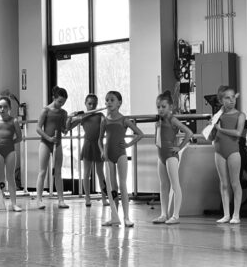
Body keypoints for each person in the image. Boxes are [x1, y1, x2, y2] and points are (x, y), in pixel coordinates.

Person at [98, 91, 143, 227]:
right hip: (108, 156)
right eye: (107, 100)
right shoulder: (104, 120)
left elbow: (140, 134)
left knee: (123, 185)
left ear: (119, 103)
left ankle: (127, 217)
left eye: (112, 100)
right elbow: (99, 139)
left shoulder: (124, 120)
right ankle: (114, 217)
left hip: (121, 154)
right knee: (112, 187)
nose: (109, 102)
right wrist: (101, 151)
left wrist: (128, 144)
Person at [151, 90, 193, 225]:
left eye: (163, 106)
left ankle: (175, 215)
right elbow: (156, 141)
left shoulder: (172, 119)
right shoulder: (158, 121)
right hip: (161, 156)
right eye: (158, 107)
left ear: (170, 107)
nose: (160, 109)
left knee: (175, 185)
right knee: (163, 186)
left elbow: (189, 133)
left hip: (171, 156)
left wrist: (179, 148)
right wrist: (156, 128)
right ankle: (164, 214)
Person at [66, 94, 109, 206]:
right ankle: (87, 198)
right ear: (85, 104)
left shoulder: (101, 115)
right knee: (86, 173)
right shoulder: (83, 116)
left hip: (99, 145)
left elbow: (108, 124)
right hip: (88, 146)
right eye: (89, 103)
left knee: (100, 173)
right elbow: (68, 128)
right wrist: (71, 116)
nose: (92, 105)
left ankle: (104, 199)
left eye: (94, 104)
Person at [213, 85, 245, 224]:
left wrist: (221, 129)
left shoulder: (240, 115)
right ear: (221, 101)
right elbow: (212, 130)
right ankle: (226, 214)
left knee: (235, 183)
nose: (232, 100)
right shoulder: (219, 115)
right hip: (219, 151)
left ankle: (236, 215)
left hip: (233, 152)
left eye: (233, 97)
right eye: (227, 98)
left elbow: (238, 133)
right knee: (224, 184)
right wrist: (215, 127)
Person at [35, 86, 69, 209]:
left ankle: (61, 200)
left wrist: (73, 121)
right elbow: (38, 128)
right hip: (45, 143)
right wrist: (49, 139)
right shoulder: (46, 110)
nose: (61, 104)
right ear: (54, 98)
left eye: (63, 102)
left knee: (58, 172)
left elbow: (65, 130)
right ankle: (39, 199)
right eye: (60, 101)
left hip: (58, 144)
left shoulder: (63, 113)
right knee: (43, 171)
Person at [0, 96, 23, 212]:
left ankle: (14, 204)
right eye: (0, 107)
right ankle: (0, 203)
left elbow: (19, 137)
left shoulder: (14, 121)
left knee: (10, 177)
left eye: (5, 107)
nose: (2, 109)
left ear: (10, 108)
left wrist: (10, 143)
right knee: (0, 178)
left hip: (10, 151)